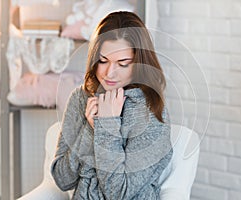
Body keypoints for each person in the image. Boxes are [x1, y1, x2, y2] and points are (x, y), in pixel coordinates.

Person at [51, 11, 173, 200]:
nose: (110, 73)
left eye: (123, 63)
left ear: (139, 63)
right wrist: (89, 130)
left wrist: (107, 125)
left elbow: (120, 193)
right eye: (103, 61)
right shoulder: (80, 98)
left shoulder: (151, 110)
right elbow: (62, 179)